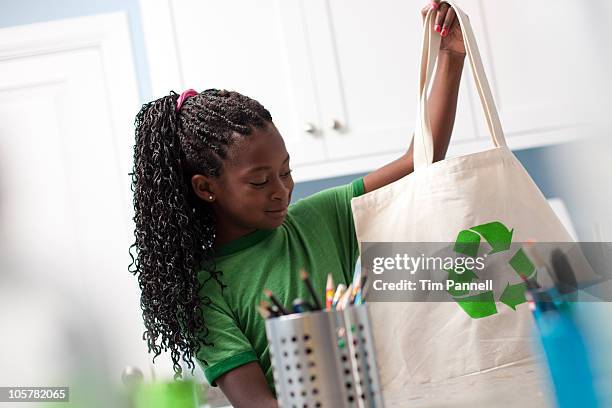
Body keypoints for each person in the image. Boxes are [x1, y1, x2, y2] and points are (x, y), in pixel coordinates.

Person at [129, 2, 465, 406]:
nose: (281, 190)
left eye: (285, 172)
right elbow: (258, 403)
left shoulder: (321, 218)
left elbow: (419, 161)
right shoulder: (203, 291)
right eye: (259, 181)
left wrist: (451, 57)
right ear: (205, 188)